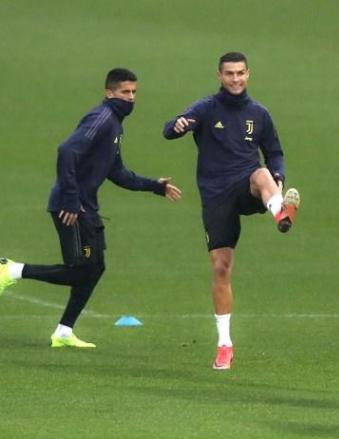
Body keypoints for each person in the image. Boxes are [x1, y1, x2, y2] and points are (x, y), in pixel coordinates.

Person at [0, 68, 182, 347]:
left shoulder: (115, 125)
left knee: (94, 268)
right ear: (109, 93)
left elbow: (117, 172)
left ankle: (63, 332)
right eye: (125, 92)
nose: (131, 98)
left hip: (86, 208)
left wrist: (154, 186)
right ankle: (11, 270)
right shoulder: (103, 119)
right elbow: (67, 151)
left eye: (134, 92)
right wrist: (72, 199)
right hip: (70, 207)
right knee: (80, 270)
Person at [163, 51, 300, 371]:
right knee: (221, 267)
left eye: (240, 73)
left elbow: (275, 154)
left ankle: (281, 212)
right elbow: (169, 129)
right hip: (215, 195)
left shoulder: (259, 114)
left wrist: (278, 175)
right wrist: (179, 126)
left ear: (248, 74)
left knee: (264, 174)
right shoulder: (207, 108)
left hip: (248, 184)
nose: (235, 79)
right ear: (219, 76)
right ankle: (225, 344)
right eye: (229, 74)